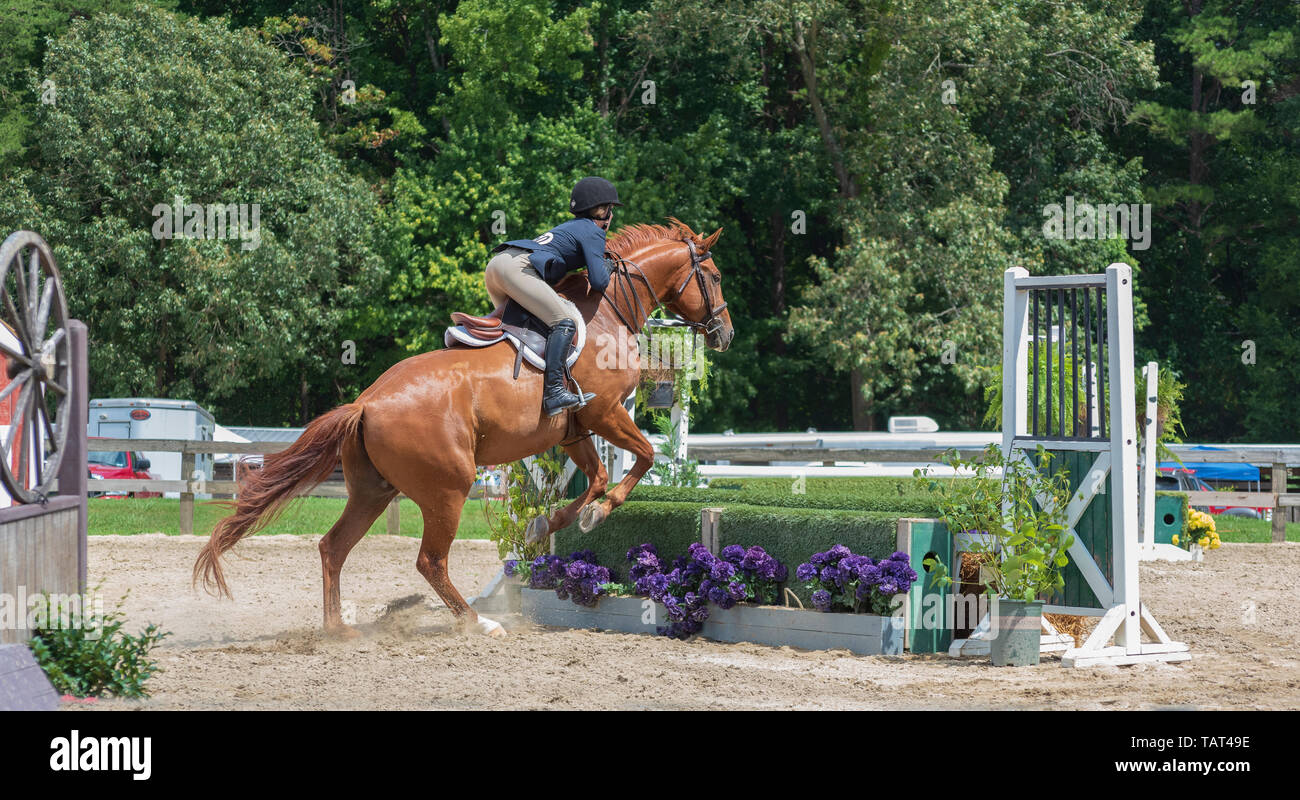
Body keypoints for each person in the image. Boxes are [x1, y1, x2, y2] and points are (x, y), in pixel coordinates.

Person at [485, 176, 621, 416]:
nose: (611, 215)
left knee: (524, 333)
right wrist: (608, 268)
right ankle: (554, 392)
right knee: (564, 321)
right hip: (517, 269)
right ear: (601, 210)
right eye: (610, 210)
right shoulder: (592, 231)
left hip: (497, 266)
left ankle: (520, 389)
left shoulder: (570, 227)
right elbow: (599, 282)